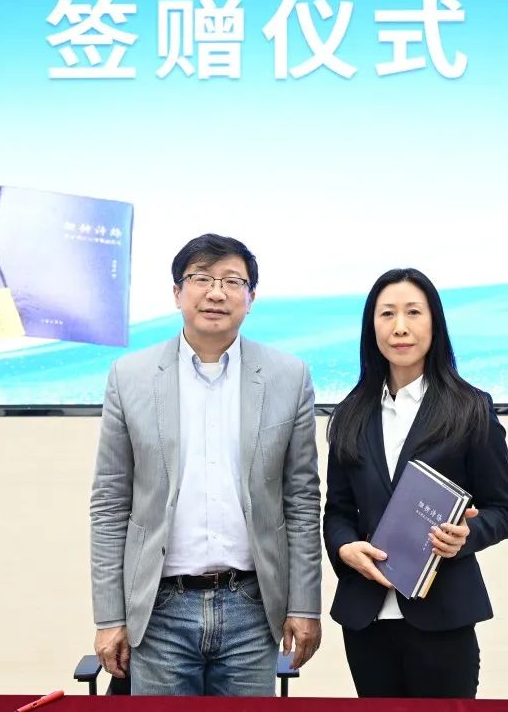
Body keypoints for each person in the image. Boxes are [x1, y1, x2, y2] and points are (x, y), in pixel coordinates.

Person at [90, 233, 322, 696]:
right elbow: (109, 504)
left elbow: (301, 501)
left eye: (232, 281)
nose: (216, 292)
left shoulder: (289, 376)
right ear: (177, 292)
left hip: (252, 606)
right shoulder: (130, 377)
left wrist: (304, 605)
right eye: (201, 278)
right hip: (160, 608)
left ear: (250, 298)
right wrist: (109, 616)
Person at [323, 267, 508, 698]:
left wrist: (465, 536)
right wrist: (344, 547)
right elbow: (337, 511)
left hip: (443, 615)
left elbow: (503, 510)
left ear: (435, 323)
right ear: (371, 326)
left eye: (413, 312)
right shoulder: (350, 413)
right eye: (387, 314)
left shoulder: (470, 408)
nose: (400, 327)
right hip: (367, 620)